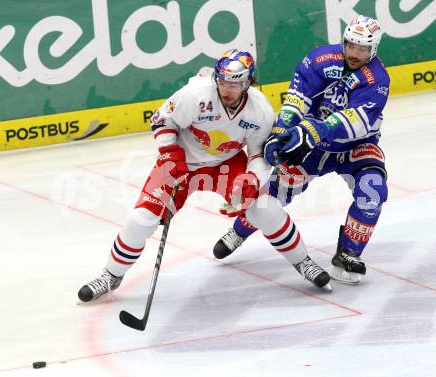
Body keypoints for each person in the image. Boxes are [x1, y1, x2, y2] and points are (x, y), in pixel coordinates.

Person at [78, 49, 331, 303]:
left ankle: (303, 261)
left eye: (235, 84)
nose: (227, 89)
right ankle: (111, 275)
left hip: (226, 164)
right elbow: (162, 120)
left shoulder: (260, 111)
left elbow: (259, 153)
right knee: (141, 218)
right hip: (180, 163)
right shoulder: (195, 95)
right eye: (222, 81)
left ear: (248, 83)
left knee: (264, 209)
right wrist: (169, 152)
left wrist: (252, 179)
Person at [213, 15, 390, 284]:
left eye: (362, 49)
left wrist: (311, 130)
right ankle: (240, 229)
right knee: (278, 191)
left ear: (374, 49)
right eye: (351, 45)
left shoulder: (377, 78)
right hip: (313, 146)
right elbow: (298, 98)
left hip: (356, 146)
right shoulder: (321, 59)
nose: (354, 53)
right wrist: (283, 129)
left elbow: (357, 121)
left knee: (373, 191)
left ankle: (348, 255)